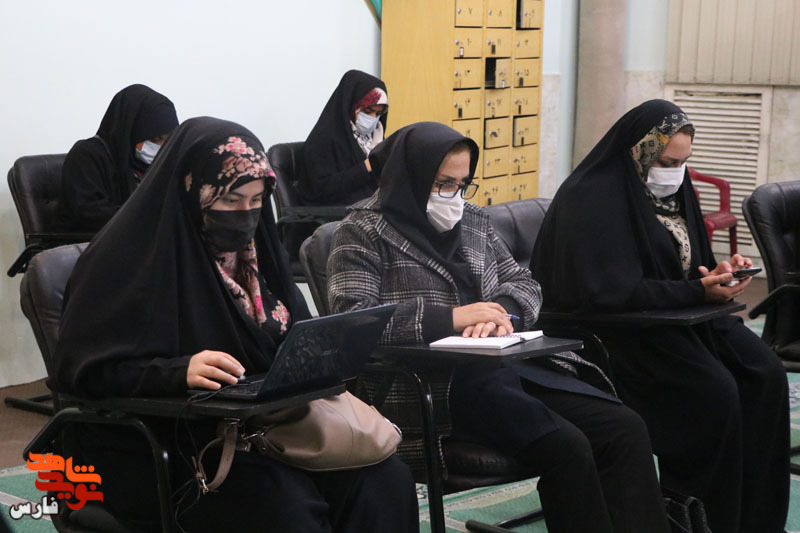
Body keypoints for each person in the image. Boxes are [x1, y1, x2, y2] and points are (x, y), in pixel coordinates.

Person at [52, 117, 418, 533]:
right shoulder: (126, 261)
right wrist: (177, 372)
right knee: (284, 505)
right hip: (167, 441)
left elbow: (290, 333)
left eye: (257, 200)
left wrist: (322, 355)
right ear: (191, 190)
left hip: (270, 427)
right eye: (230, 200)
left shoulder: (255, 256)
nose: (245, 215)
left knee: (385, 481)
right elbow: (81, 372)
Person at [327, 121, 671, 533]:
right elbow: (354, 317)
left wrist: (501, 313)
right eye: (442, 184)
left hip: (510, 364)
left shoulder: (473, 219)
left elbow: (524, 282)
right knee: (569, 447)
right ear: (409, 176)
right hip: (439, 384)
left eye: (462, 184)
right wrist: (453, 317)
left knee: (624, 428)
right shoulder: (362, 231)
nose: (454, 197)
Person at [531, 99, 789, 533]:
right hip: (614, 333)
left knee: (764, 372)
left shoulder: (677, 192)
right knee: (714, 392)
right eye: (667, 162)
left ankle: (756, 521)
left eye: (684, 162)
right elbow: (610, 291)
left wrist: (719, 275)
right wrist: (697, 290)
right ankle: (701, 520)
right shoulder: (592, 197)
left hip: (678, 318)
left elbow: (689, 266)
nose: (675, 173)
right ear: (639, 151)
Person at [60, 84, 179, 231]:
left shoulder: (152, 166)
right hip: (83, 241)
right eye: (155, 139)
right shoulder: (87, 155)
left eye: (167, 141)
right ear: (132, 131)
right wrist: (150, 215)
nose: (160, 147)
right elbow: (90, 214)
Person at [299, 69, 388, 206]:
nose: (373, 118)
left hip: (370, 208)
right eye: (368, 111)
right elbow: (320, 189)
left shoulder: (375, 138)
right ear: (350, 105)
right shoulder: (323, 139)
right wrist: (365, 167)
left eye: (378, 113)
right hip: (336, 213)